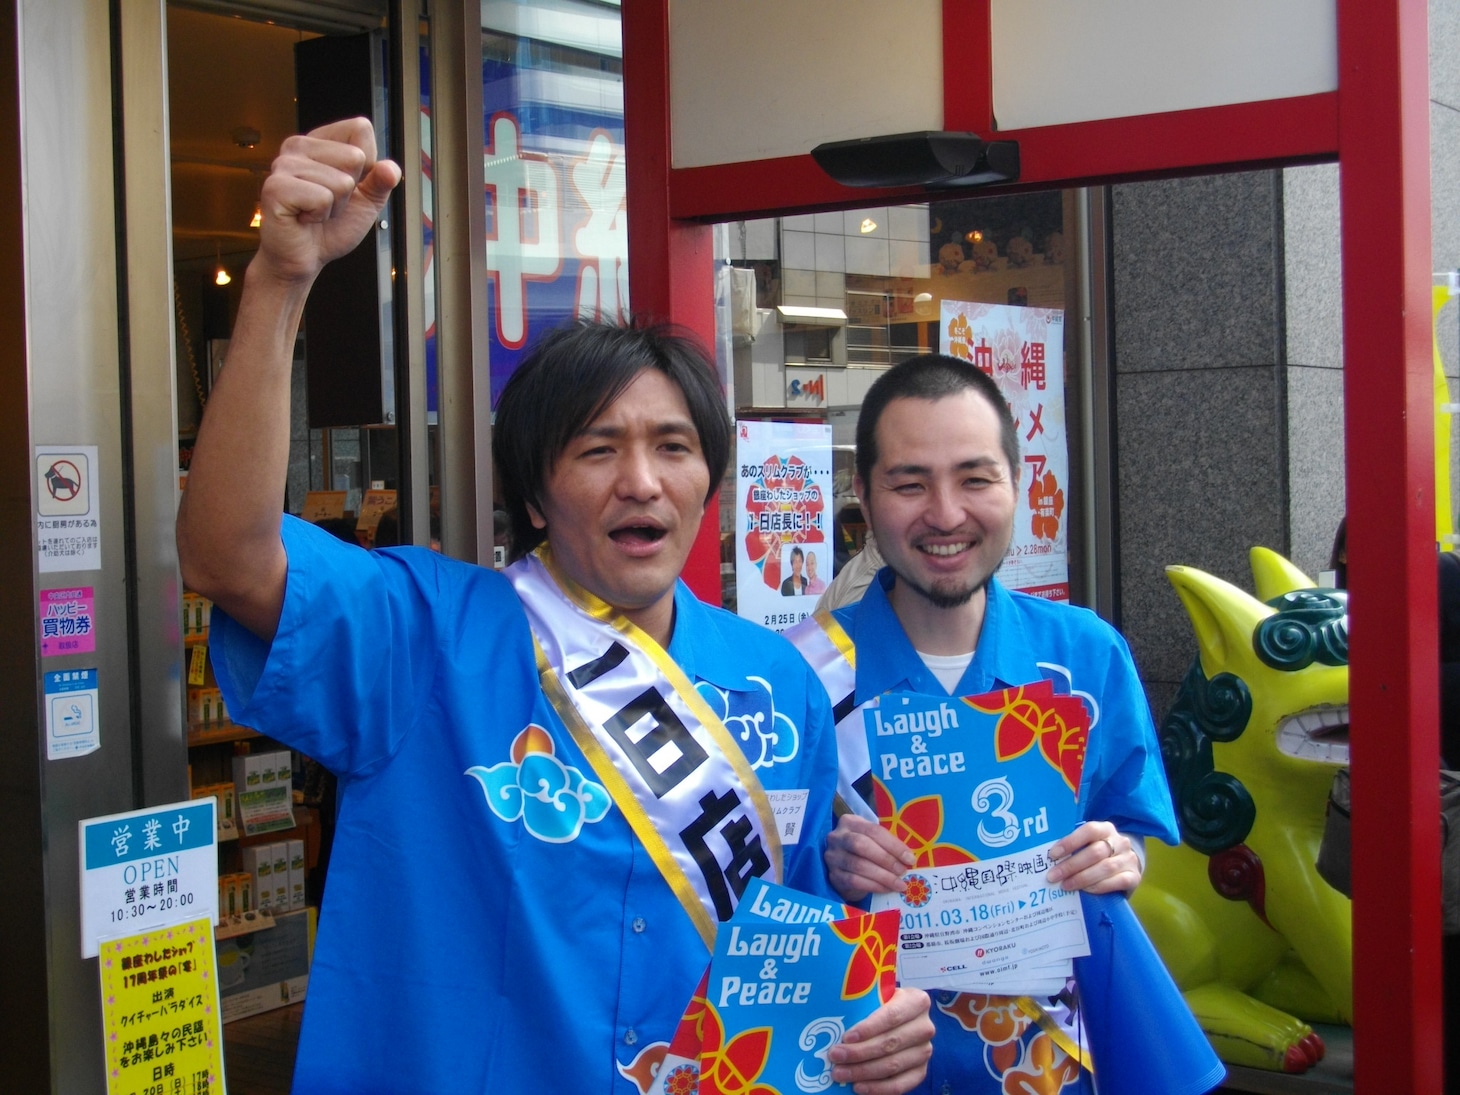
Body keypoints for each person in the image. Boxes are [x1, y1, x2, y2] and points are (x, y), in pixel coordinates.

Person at [176, 119, 931, 1095]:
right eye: (594, 449)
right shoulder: (421, 634)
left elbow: (795, 965)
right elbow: (226, 557)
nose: (641, 482)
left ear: (710, 479)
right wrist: (282, 278)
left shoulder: (777, 682)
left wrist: (872, 1031)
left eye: (672, 447)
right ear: (533, 495)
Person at [787, 354, 1212, 1094]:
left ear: (1018, 484)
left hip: (1055, 1062)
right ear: (862, 493)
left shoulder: (1083, 655)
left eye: (975, 478)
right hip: (866, 1063)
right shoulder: (801, 675)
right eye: (909, 482)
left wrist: (1122, 857)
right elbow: (757, 893)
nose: (946, 514)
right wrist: (828, 868)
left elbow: (1132, 822)